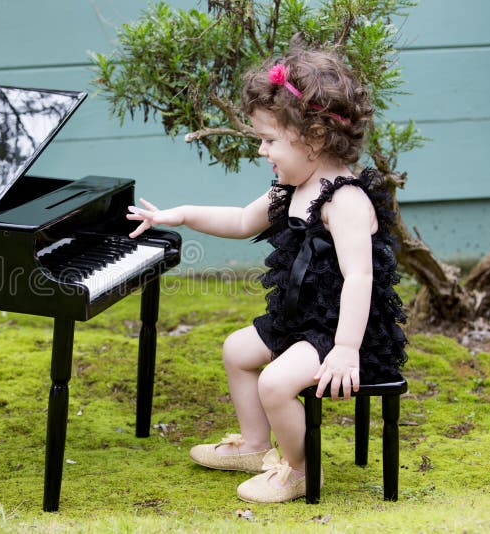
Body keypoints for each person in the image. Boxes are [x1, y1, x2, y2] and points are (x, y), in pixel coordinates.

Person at [126, 43, 407, 503]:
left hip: (342, 334)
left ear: (313, 138)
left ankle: (299, 469)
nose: (262, 150)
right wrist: (179, 215)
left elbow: (360, 277)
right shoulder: (291, 187)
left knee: (275, 382)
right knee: (237, 350)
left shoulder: (347, 201)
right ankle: (255, 446)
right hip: (300, 320)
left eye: (270, 139)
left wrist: (345, 350)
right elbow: (239, 221)